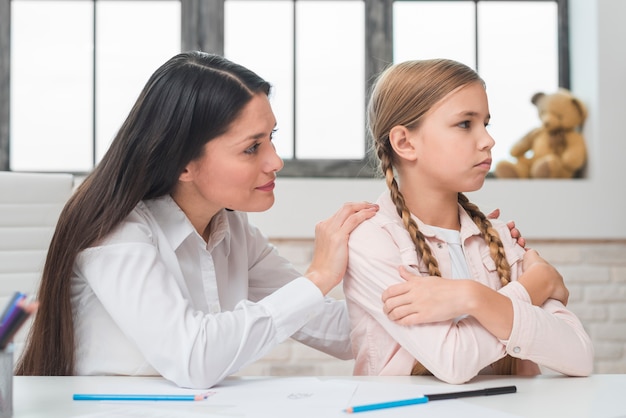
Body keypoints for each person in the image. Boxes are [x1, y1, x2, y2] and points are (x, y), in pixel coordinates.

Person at [14, 51, 382, 389]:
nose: (275, 161)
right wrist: (317, 278)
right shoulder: (117, 233)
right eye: (252, 147)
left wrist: (425, 306)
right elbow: (194, 358)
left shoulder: (233, 230)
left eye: (271, 138)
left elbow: (331, 330)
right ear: (183, 163)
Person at [343, 58, 594, 384]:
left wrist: (470, 298)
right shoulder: (373, 240)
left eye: (486, 124)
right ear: (405, 142)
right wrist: (530, 288)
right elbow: (453, 360)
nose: (487, 140)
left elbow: (579, 355)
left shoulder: (499, 236)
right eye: (465, 124)